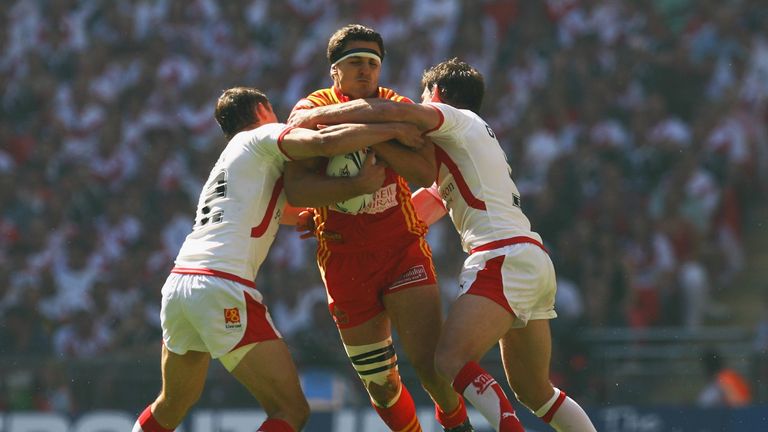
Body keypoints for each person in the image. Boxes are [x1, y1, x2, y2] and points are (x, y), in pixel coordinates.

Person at [289, 58, 598, 431]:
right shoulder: (467, 144)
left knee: (448, 361)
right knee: (537, 393)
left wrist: (318, 121)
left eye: (423, 99)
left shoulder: (452, 117)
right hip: (530, 258)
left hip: (501, 257)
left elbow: (388, 111)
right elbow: (426, 206)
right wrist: (338, 211)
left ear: (436, 96)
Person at [131, 86, 426, 432]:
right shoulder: (263, 135)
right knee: (291, 409)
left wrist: (311, 214)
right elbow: (324, 144)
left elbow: (270, 207)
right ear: (262, 109)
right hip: (221, 285)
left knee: (172, 404)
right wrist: (391, 131)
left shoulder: (228, 160)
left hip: (180, 285)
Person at [284, 25, 472, 432]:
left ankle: (459, 425)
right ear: (335, 72)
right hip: (344, 261)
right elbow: (296, 187)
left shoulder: (396, 105)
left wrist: (376, 138)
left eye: (372, 64)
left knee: (431, 366)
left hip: (401, 248)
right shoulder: (311, 107)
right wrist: (357, 182)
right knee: (382, 387)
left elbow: (426, 172)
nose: (366, 72)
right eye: (355, 64)